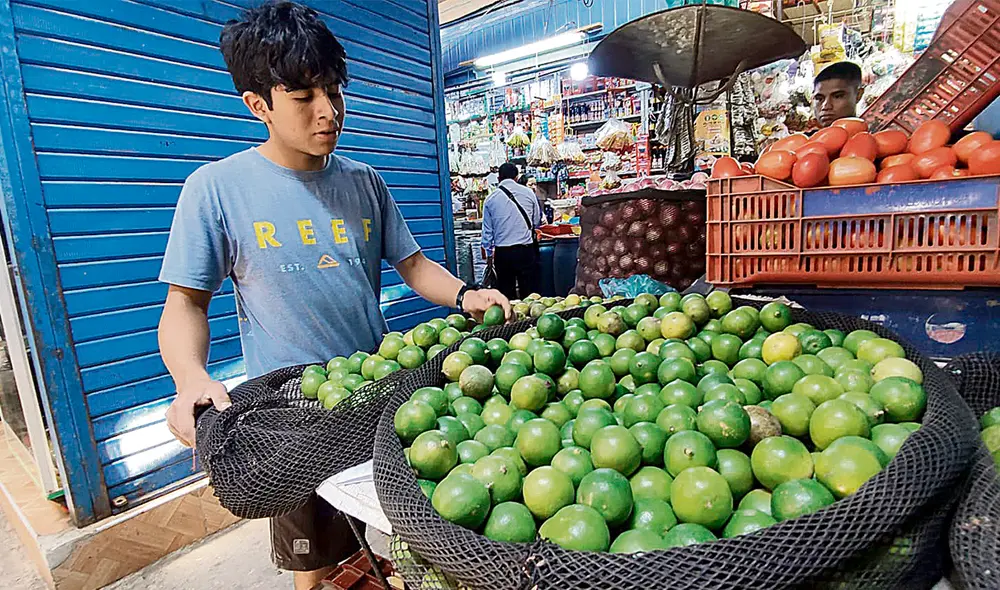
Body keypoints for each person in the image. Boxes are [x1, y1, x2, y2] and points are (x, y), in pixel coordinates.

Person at [156, 4, 510, 589]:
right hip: (296, 420)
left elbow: (415, 265)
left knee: (389, 535)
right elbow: (185, 304)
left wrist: (466, 295)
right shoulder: (216, 190)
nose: (329, 111)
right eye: (303, 97)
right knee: (315, 564)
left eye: (334, 90)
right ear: (258, 105)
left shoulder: (365, 181)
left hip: (382, 396)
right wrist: (189, 378)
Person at [481, 163, 541, 300]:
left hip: (503, 254)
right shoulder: (528, 193)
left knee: (507, 294)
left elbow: (487, 233)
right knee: (530, 293)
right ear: (517, 177)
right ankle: (532, 320)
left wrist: (489, 256)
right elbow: (536, 221)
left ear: (499, 177)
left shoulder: (490, 199)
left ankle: (512, 320)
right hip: (526, 250)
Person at [812, 61, 864, 128]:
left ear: (858, 95)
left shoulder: (873, 136)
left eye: (837, 96)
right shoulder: (807, 137)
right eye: (819, 99)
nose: (826, 106)